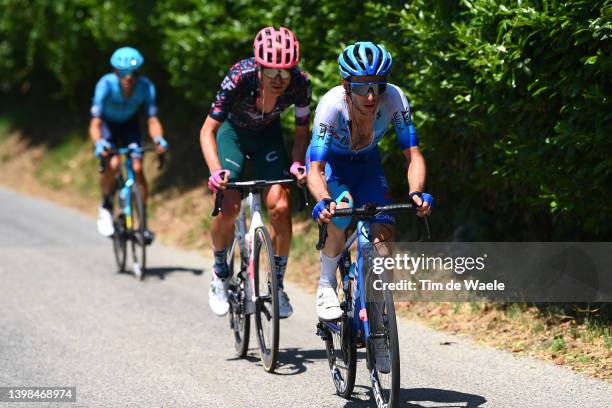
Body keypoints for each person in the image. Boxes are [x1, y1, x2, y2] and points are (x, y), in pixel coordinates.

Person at [306, 41, 433, 371]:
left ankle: (378, 325)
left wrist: (416, 192)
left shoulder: (395, 98)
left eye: (377, 85)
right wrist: (323, 201)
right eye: (362, 87)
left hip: (367, 165)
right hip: (332, 166)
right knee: (341, 210)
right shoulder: (331, 106)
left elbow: (413, 155)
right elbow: (315, 171)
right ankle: (325, 284)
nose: (372, 95)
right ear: (347, 85)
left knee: (383, 239)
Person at [200, 27, 311, 318]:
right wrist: (215, 172)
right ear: (259, 67)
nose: (279, 80)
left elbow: (302, 135)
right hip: (232, 133)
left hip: (268, 136)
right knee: (229, 204)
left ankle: (278, 283)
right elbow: (207, 131)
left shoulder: (300, 84)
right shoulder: (240, 76)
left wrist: (298, 164)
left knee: (281, 205)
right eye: (272, 72)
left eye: (285, 73)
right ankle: (220, 272)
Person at [90, 46, 168, 241]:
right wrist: (99, 142)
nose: (129, 78)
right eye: (123, 73)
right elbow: (96, 123)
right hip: (108, 125)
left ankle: (142, 224)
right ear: (115, 72)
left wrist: (158, 139)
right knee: (114, 163)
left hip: (129, 126)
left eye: (133, 73)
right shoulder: (105, 85)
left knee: (137, 168)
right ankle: (107, 203)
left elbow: (152, 119)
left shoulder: (145, 86)